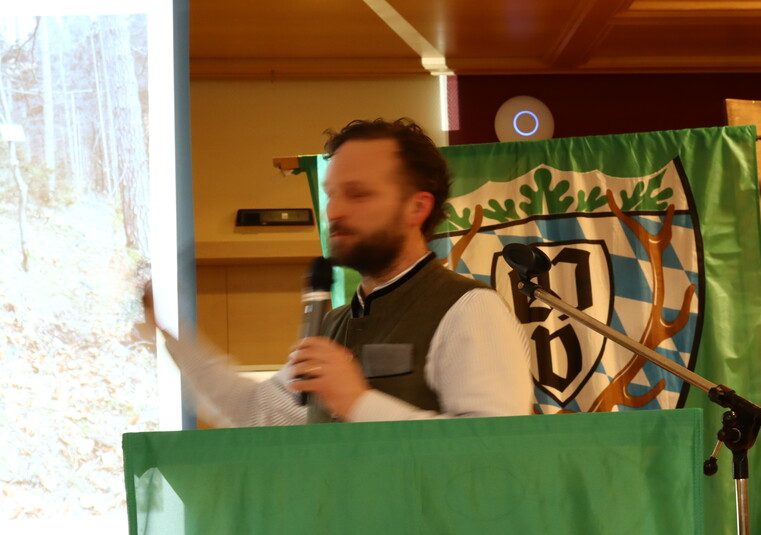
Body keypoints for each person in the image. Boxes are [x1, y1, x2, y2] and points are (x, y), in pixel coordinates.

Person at [151, 118, 533, 427]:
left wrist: (356, 402)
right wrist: (168, 331)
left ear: (416, 208)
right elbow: (256, 412)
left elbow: (494, 449)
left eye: (358, 194)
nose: (333, 211)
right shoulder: (330, 324)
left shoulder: (469, 309)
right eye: (331, 194)